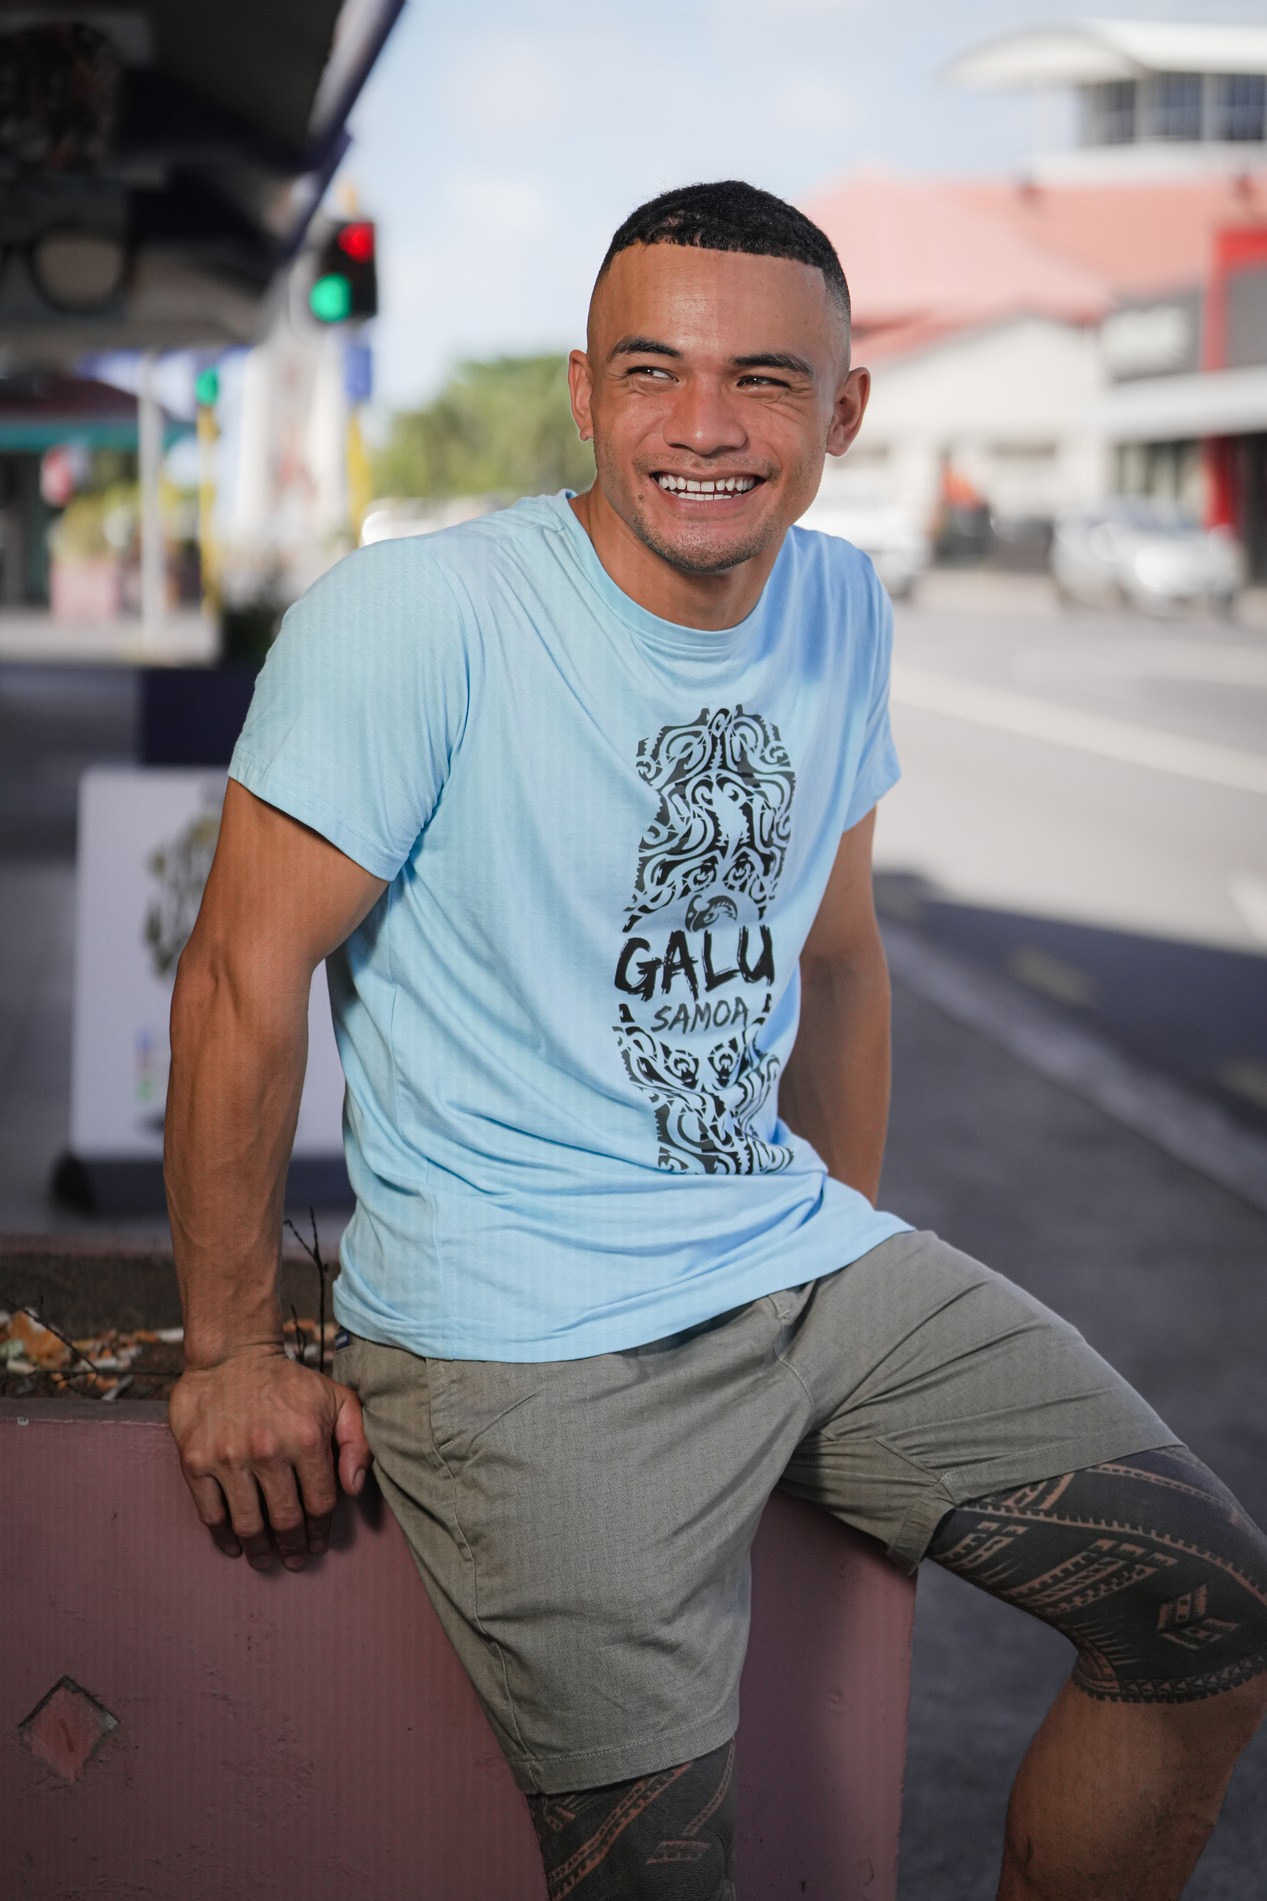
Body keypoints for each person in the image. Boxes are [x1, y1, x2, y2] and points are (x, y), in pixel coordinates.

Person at [166, 181, 1267, 1900]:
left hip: (780, 1253)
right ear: (585, 392)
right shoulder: (420, 619)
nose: (702, 425)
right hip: (519, 1328)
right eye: (651, 371)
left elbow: (837, 956)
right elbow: (240, 977)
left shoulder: (839, 608)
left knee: (1205, 1606)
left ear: (845, 410)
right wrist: (232, 1350)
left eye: (763, 380)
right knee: (662, 1868)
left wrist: (847, 1268)